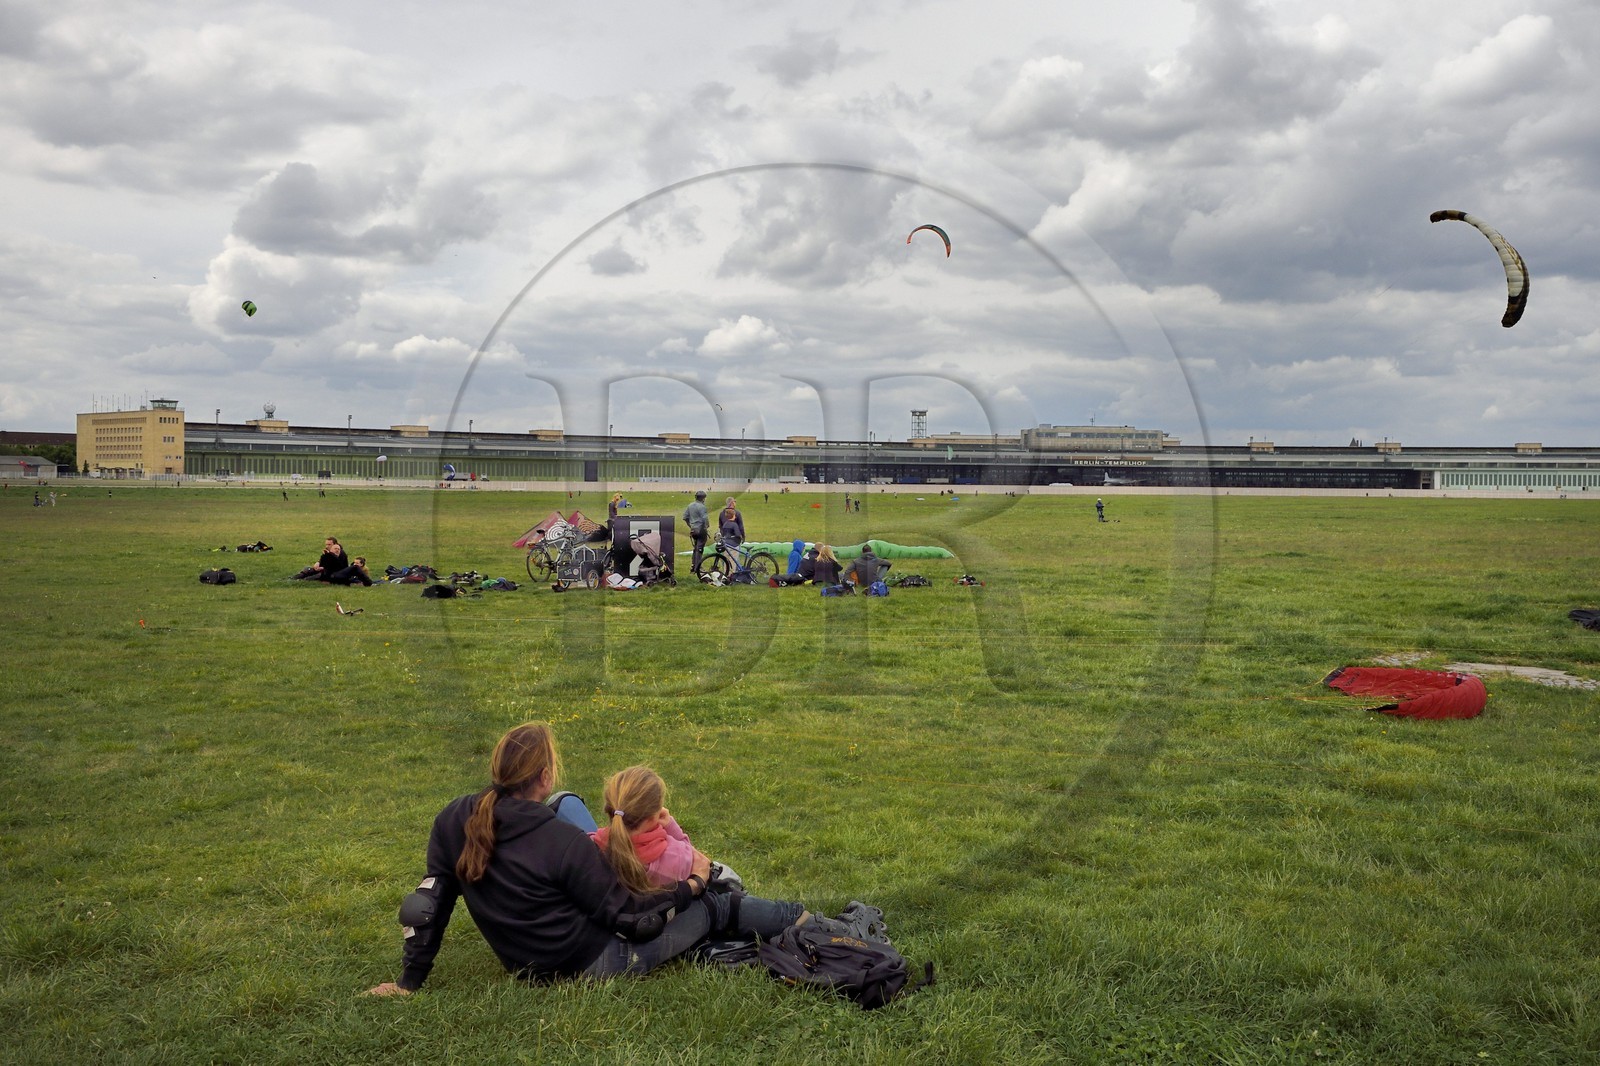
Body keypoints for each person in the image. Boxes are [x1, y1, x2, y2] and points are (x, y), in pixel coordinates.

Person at [365, 723, 849, 994]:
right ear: (544, 773)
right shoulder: (564, 845)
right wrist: (695, 885)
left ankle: (763, 927)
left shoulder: (456, 817)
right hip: (588, 962)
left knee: (567, 806)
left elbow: (428, 903)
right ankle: (812, 923)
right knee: (718, 905)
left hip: (521, 961)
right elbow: (636, 922)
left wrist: (409, 982)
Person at [681, 490, 710, 574]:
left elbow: (685, 517)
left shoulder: (690, 505)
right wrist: (706, 527)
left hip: (693, 530)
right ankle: (698, 567)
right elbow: (705, 519)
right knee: (700, 549)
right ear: (703, 498)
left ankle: (693, 566)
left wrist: (691, 526)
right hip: (701, 529)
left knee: (695, 548)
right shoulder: (702, 507)